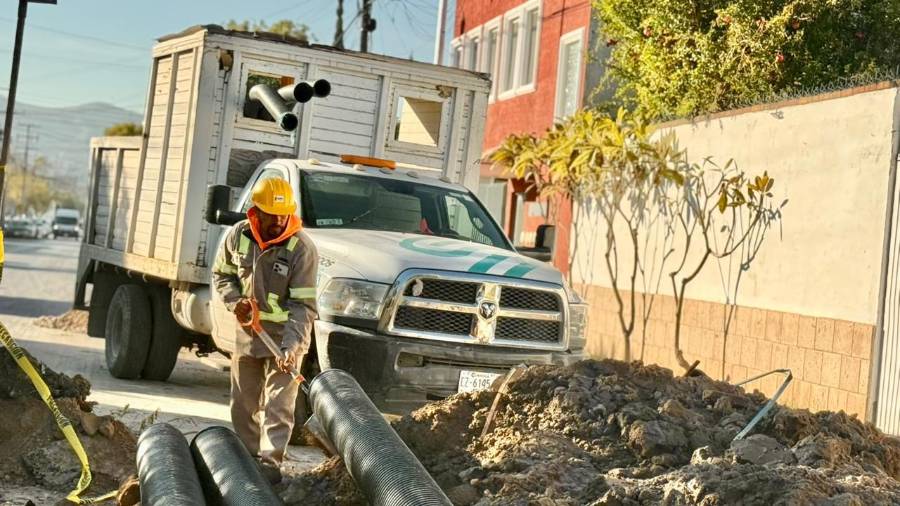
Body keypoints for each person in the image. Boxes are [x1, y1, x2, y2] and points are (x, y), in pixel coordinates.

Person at [211, 177, 317, 483]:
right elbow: (222, 275)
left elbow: (304, 306)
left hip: (286, 336)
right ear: (256, 212)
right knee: (243, 403)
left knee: (278, 406)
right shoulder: (238, 236)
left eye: (284, 215)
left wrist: (292, 347)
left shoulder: (302, 249)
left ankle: (270, 465)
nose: (279, 221)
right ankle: (246, 460)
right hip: (248, 333)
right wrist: (236, 303)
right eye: (272, 214)